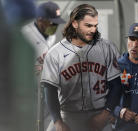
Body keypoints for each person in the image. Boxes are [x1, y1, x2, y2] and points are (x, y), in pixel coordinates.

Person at [40, 4, 122, 131]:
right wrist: (57, 122)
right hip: (68, 114)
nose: (93, 30)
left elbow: (116, 85)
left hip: (100, 113)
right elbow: (49, 90)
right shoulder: (56, 53)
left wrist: (105, 114)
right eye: (88, 25)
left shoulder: (107, 47)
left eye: (95, 25)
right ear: (75, 24)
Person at [21, 1, 65, 131]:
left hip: (46, 88)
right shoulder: (25, 34)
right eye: (52, 21)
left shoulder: (51, 34)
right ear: (40, 19)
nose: (55, 25)